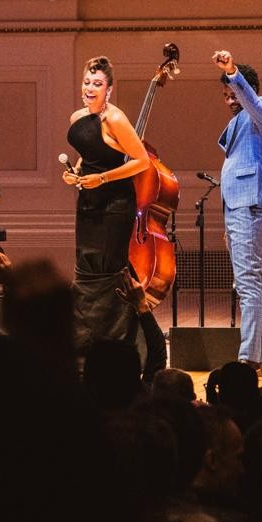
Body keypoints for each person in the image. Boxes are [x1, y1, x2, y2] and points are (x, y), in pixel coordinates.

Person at [62, 56, 165, 376]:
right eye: (87, 82)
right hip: (88, 201)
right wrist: (76, 173)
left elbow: (141, 162)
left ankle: (117, 343)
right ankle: (84, 343)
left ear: (109, 89)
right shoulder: (78, 116)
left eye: (97, 84)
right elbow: (91, 154)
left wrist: (102, 179)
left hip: (115, 205)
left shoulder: (116, 119)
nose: (90, 88)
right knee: (86, 270)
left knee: (109, 272)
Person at [212, 49, 262, 374]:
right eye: (225, 95)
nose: (229, 100)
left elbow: (250, 100)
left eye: (233, 93)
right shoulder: (240, 121)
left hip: (250, 203)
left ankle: (248, 360)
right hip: (242, 207)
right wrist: (228, 224)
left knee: (247, 283)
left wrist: (232, 72)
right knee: (253, 281)